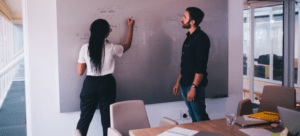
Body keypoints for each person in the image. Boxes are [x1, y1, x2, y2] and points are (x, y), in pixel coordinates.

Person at [74, 18, 135, 136]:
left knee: (84, 120)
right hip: (107, 84)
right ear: (106, 34)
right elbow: (127, 45)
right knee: (107, 120)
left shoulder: (84, 48)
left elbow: (80, 71)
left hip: (90, 84)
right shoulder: (112, 48)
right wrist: (131, 27)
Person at [173, 7, 210, 122]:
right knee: (193, 116)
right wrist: (178, 82)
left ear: (192, 22)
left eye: (185, 17)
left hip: (193, 86)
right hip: (185, 84)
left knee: (200, 117)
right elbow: (186, 65)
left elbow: (201, 67)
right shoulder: (189, 38)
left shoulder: (201, 38)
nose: (182, 19)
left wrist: (193, 88)